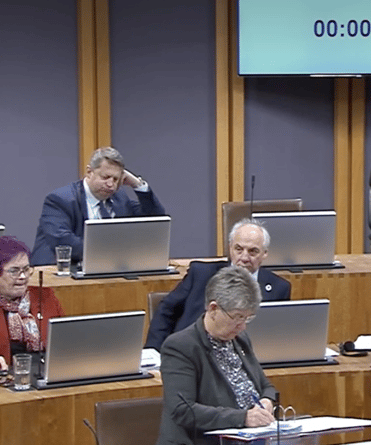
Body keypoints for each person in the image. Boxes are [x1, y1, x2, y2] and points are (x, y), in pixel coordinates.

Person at [158, 266, 276, 445]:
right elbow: (183, 410)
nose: (242, 326)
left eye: (247, 318)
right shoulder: (180, 347)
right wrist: (243, 418)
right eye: (237, 317)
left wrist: (267, 401)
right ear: (213, 309)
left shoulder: (240, 339)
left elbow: (266, 386)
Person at [145, 218, 290, 351]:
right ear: (230, 247)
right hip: (192, 350)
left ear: (265, 254)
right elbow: (166, 311)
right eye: (238, 249)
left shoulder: (279, 288)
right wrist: (153, 352)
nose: (244, 257)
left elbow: (278, 335)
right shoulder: (201, 274)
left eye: (253, 251)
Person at [30, 146, 166, 265]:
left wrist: (137, 184)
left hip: (104, 272)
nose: (110, 184)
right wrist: (112, 255)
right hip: (60, 273)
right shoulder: (60, 199)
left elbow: (156, 218)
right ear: (89, 172)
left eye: (115, 179)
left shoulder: (119, 199)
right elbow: (63, 242)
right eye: (105, 177)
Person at [0, 236, 64, 371]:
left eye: (26, 269)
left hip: (46, 372)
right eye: (14, 271)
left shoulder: (45, 297)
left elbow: (66, 340)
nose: (22, 277)